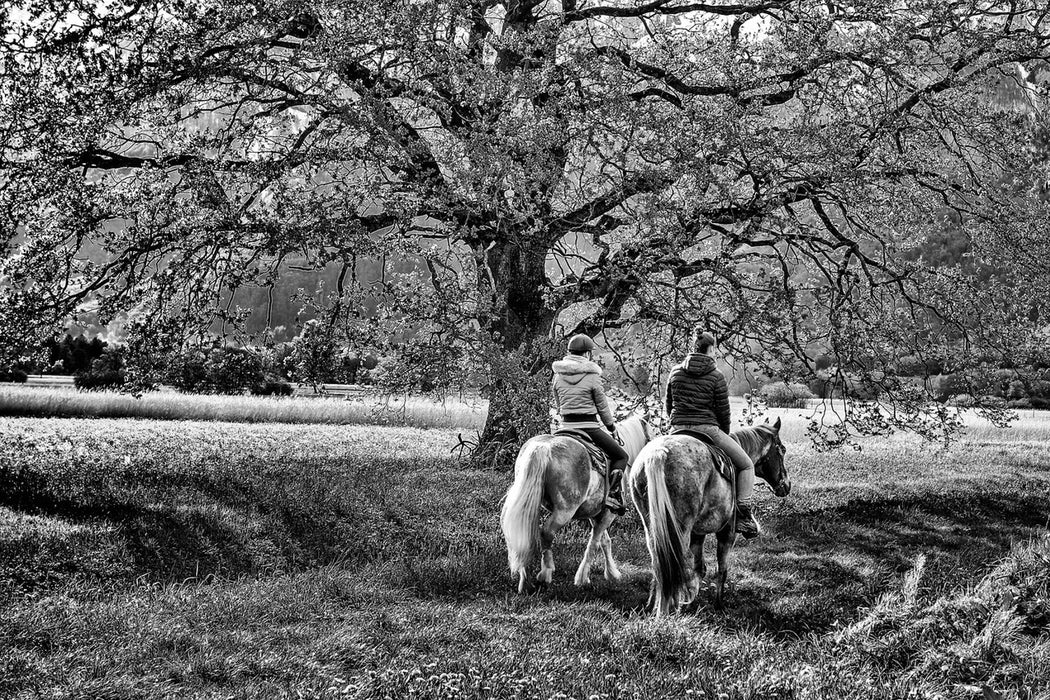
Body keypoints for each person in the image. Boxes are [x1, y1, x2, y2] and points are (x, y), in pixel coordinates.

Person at [664, 329, 761, 538]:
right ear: (711, 349)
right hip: (707, 430)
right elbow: (723, 413)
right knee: (746, 465)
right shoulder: (716, 376)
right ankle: (743, 516)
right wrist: (722, 434)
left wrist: (675, 424)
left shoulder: (675, 372)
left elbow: (668, 405)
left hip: (676, 429)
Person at [551, 334, 629, 515]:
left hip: (565, 428)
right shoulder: (593, 376)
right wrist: (611, 428)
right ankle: (613, 496)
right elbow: (602, 407)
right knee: (621, 456)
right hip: (588, 427)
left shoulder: (558, 376)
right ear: (586, 354)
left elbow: (558, 404)